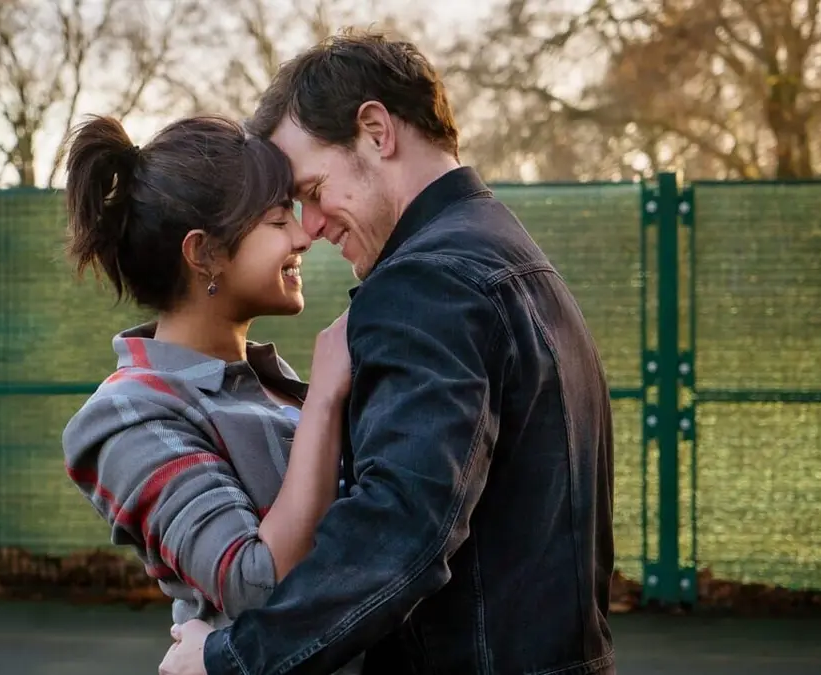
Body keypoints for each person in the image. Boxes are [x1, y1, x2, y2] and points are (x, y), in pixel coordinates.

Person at [159, 30, 616, 675]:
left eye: (313, 189)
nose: (311, 226)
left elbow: (401, 528)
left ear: (376, 131)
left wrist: (231, 658)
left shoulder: (426, 282)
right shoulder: (509, 256)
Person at [58, 114, 365, 674]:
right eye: (278, 221)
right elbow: (257, 583)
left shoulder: (266, 380)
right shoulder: (131, 415)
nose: (303, 236)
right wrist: (325, 398)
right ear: (203, 253)